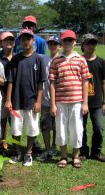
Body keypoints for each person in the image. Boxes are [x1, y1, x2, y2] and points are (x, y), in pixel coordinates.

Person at [5, 28, 47, 167]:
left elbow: (41, 83)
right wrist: (9, 100)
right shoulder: (15, 59)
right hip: (16, 101)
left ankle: (28, 153)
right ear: (20, 41)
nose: (25, 41)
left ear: (33, 40)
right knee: (15, 129)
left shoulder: (39, 59)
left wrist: (39, 101)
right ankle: (17, 152)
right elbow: (10, 81)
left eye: (28, 39)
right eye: (23, 39)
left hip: (32, 101)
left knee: (32, 128)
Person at [49, 30, 90, 168]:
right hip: (60, 101)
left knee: (77, 129)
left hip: (77, 101)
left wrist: (85, 103)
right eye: (65, 40)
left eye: (70, 40)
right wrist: (53, 104)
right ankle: (63, 156)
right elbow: (52, 83)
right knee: (60, 129)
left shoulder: (81, 59)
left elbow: (85, 81)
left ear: (75, 41)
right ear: (62, 42)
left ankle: (75, 156)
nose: (68, 42)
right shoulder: (56, 60)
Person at [80, 33, 105, 162]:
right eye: (88, 43)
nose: (91, 45)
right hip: (80, 101)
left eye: (93, 43)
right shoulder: (79, 61)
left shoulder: (101, 62)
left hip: (96, 102)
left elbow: (103, 82)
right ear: (83, 45)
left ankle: (96, 152)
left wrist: (104, 102)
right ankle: (83, 151)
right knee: (81, 128)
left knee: (99, 128)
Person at [38, 35, 61, 161]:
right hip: (46, 100)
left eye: (55, 44)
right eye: (50, 44)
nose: (52, 46)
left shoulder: (63, 59)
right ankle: (47, 149)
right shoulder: (43, 59)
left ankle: (54, 146)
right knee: (45, 125)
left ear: (59, 46)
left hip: (60, 99)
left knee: (58, 126)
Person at [0, 32, 15, 147]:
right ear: (1, 42)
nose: (9, 42)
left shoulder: (18, 57)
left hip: (15, 94)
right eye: (6, 40)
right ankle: (2, 144)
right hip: (1, 93)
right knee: (2, 121)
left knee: (14, 122)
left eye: (11, 40)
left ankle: (15, 145)